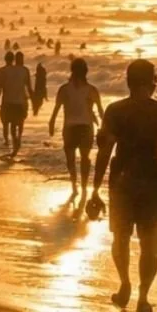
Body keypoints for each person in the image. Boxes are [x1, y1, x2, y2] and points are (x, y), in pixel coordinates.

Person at [87, 60, 157, 312]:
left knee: (120, 237)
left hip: (122, 181)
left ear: (127, 81)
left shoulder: (116, 110)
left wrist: (95, 188)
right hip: (152, 182)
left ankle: (124, 284)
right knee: (151, 243)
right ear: (153, 82)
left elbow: (105, 151)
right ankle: (143, 297)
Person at [47, 57, 103, 210]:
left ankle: (75, 185)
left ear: (72, 70)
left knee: (71, 159)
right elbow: (101, 111)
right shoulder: (91, 90)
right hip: (85, 128)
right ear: (86, 71)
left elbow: (56, 109)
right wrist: (105, 128)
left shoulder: (64, 89)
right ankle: (83, 186)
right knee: (85, 158)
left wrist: (51, 122)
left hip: (71, 128)